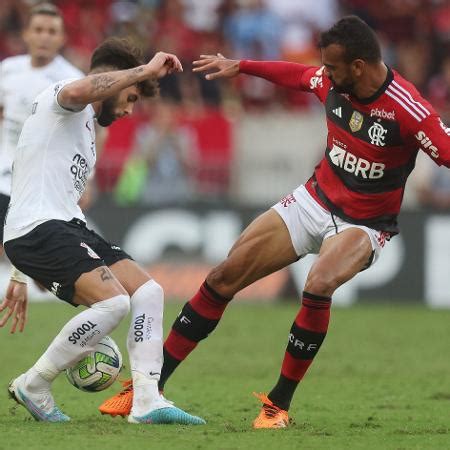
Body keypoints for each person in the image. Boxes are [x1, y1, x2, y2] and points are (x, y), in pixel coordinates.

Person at [99, 15, 450, 428]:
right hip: (313, 199)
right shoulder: (332, 81)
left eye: (333, 67)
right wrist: (242, 66)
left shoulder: (407, 108)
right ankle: (147, 389)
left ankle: (277, 405)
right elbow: (298, 75)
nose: (325, 74)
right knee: (223, 277)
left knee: (317, 285)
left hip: (365, 222)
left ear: (358, 66)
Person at [1, 36, 204, 425]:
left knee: (148, 291)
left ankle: (146, 399)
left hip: (60, 224)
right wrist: (145, 69)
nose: (129, 111)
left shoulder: (88, 132)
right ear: (115, 79)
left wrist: (19, 273)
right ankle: (35, 383)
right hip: (38, 228)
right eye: (130, 99)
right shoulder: (64, 99)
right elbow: (81, 88)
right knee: (114, 302)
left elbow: (37, 183)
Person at [0, 3, 84, 330]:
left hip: (39, 182)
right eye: (38, 30)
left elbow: (81, 136)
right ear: (26, 34)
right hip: (3, 173)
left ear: (62, 37)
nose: (44, 37)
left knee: (41, 272)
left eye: (51, 32)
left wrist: (83, 181)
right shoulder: (8, 69)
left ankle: (84, 323)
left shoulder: (71, 80)